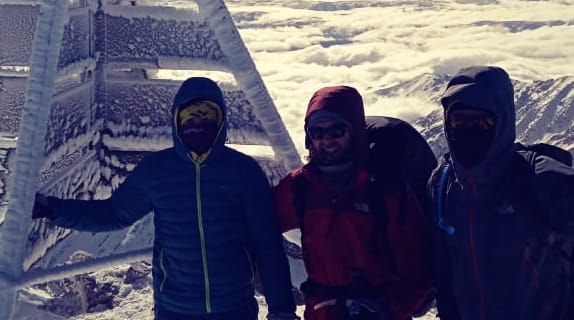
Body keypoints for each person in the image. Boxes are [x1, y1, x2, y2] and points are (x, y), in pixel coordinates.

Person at [32, 76, 298, 320]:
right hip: (174, 309)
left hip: (234, 307)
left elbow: (268, 245)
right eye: (190, 116)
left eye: (207, 116)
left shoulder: (244, 171)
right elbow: (114, 213)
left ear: (221, 120)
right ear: (176, 119)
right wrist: (53, 209)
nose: (198, 124)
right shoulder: (156, 170)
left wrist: (282, 310)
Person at [429, 65, 574, 320]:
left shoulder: (536, 177)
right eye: (459, 120)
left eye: (481, 122)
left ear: (501, 122)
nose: (468, 129)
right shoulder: (441, 184)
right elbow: (443, 269)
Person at [273, 85, 433, 320]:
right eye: (317, 133)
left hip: (378, 312)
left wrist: (391, 309)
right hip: (322, 312)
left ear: (354, 132)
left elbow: (417, 262)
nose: (327, 140)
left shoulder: (384, 187)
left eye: (337, 131)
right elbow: (259, 222)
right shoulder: (300, 187)